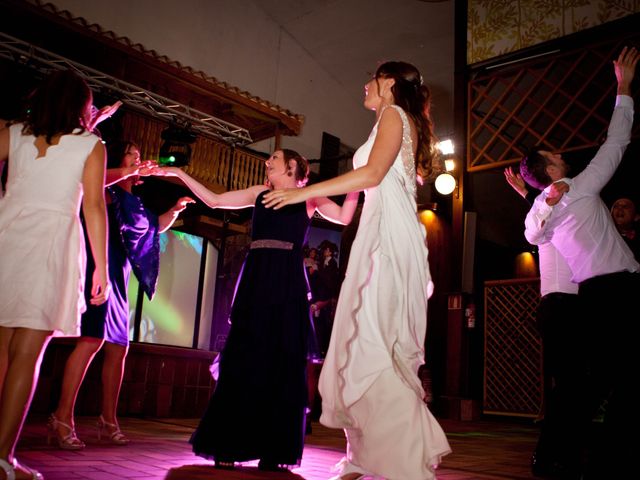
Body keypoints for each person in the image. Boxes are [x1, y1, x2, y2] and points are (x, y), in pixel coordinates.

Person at [263, 61, 451, 480]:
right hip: (378, 232)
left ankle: (402, 462)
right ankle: (365, 453)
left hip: (390, 237)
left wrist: (302, 193)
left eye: (371, 78)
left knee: (373, 341)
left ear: (387, 83)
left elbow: (371, 173)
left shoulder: (395, 116)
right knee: (359, 341)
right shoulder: (387, 120)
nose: (363, 85)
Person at [164, 149, 359, 471]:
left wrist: (357, 185)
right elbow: (214, 200)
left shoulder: (308, 198)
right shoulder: (259, 193)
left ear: (293, 167)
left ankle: (275, 449)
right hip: (256, 280)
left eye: (275, 158)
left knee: (283, 363)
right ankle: (229, 442)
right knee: (243, 359)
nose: (267, 162)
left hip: (287, 284)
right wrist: (178, 175)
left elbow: (343, 217)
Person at [521, 47, 639, 478]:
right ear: (550, 169)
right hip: (613, 291)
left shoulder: (554, 202)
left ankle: (571, 452)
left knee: (594, 382)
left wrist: (545, 202)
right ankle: (598, 456)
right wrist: (623, 88)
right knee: (604, 381)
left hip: (592, 295)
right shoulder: (577, 190)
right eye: (556, 154)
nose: (563, 154)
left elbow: (535, 232)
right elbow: (616, 142)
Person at [48, 140, 193, 450]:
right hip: (99, 269)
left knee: (118, 348)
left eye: (139, 156)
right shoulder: (105, 189)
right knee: (91, 341)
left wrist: (174, 210)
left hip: (120, 276)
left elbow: (154, 229)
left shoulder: (134, 201)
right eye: (132, 154)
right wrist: (126, 171)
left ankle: (108, 419)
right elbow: (95, 182)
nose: (139, 160)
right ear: (118, 159)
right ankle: (62, 417)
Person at [0, 70, 110, 480]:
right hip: (49, 247)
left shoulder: (15, 133)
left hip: (6, 238)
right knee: (26, 356)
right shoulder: (91, 145)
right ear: (84, 107)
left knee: (1, 352)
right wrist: (101, 266)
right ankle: (3, 460)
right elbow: (94, 208)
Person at [505, 167, 585, 479]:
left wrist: (527, 193)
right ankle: (550, 455)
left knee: (572, 386)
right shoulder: (548, 219)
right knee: (566, 387)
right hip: (557, 306)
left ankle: (561, 455)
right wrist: (532, 195)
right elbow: (540, 224)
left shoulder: (565, 216)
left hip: (571, 305)